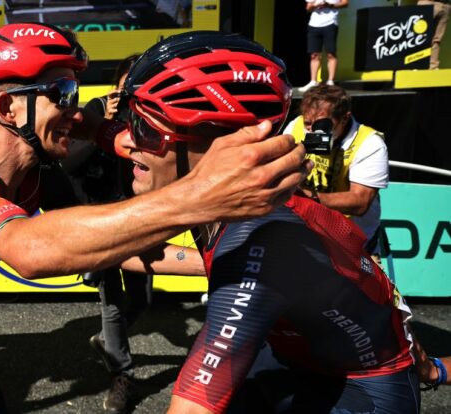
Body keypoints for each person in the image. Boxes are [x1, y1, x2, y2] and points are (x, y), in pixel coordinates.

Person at [0, 23, 308, 413]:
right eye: (61, 92)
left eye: (74, 92)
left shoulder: (40, 177)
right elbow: (32, 250)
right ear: (6, 108)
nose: (74, 107)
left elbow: (120, 247)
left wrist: (238, 263)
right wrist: (199, 197)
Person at [115, 30, 420, 413]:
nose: (124, 142)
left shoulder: (260, 238)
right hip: (296, 351)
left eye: (144, 128)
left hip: (359, 390)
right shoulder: (237, 220)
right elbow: (142, 251)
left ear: (218, 146)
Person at [62, 54, 152, 413]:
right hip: (98, 219)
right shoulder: (92, 115)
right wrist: (103, 126)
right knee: (111, 300)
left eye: (142, 87)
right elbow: (71, 162)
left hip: (136, 220)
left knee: (142, 300)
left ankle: (106, 340)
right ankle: (123, 375)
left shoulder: (146, 122)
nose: (133, 94)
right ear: (117, 86)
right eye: (129, 86)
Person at [283, 84, 388, 257]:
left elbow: (360, 202)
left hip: (353, 245)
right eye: (308, 123)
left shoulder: (370, 143)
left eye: (322, 124)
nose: (312, 130)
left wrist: (308, 197)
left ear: (345, 119)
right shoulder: (296, 126)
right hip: (306, 236)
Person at [298, 0, 349, 93]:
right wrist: (315, 5)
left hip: (330, 24)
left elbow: (345, 3)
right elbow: (308, 8)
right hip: (313, 25)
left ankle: (330, 81)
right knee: (314, 55)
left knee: (331, 53)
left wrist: (330, 4)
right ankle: (313, 81)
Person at [418, 0, 450, 69]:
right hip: (427, 2)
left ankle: (433, 66)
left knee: (437, 40)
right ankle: (416, 65)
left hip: (445, 5)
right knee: (419, 36)